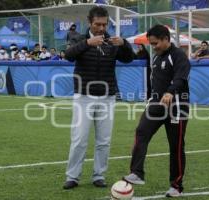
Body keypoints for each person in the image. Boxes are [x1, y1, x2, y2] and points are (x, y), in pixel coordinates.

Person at [63, 6, 134, 190]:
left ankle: (99, 175)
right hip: (83, 97)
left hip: (107, 97)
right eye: (97, 24)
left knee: (104, 140)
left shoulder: (112, 41)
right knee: (79, 139)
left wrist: (124, 44)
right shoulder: (79, 38)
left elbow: (129, 58)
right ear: (89, 23)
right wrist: (88, 43)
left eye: (104, 24)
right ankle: (72, 176)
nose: (101, 28)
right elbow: (68, 55)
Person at [123, 25, 190, 198]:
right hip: (156, 105)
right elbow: (156, 83)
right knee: (141, 131)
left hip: (177, 106)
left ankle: (176, 186)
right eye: (151, 44)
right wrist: (151, 101)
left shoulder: (179, 56)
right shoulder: (155, 57)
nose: (154, 47)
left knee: (176, 146)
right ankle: (137, 172)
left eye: (156, 43)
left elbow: (181, 78)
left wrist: (170, 92)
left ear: (166, 39)